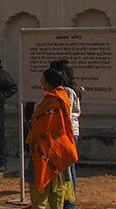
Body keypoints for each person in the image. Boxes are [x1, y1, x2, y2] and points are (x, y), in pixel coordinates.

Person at [26, 68, 78, 209]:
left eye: (43, 79)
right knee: (57, 190)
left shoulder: (52, 100)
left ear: (49, 82)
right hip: (58, 149)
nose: (41, 81)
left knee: (41, 190)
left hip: (46, 149)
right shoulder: (61, 97)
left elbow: (46, 126)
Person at [49, 59, 82, 209]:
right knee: (67, 168)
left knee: (67, 170)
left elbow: (63, 114)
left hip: (65, 132)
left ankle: (69, 202)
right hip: (69, 131)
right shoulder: (71, 90)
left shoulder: (66, 91)